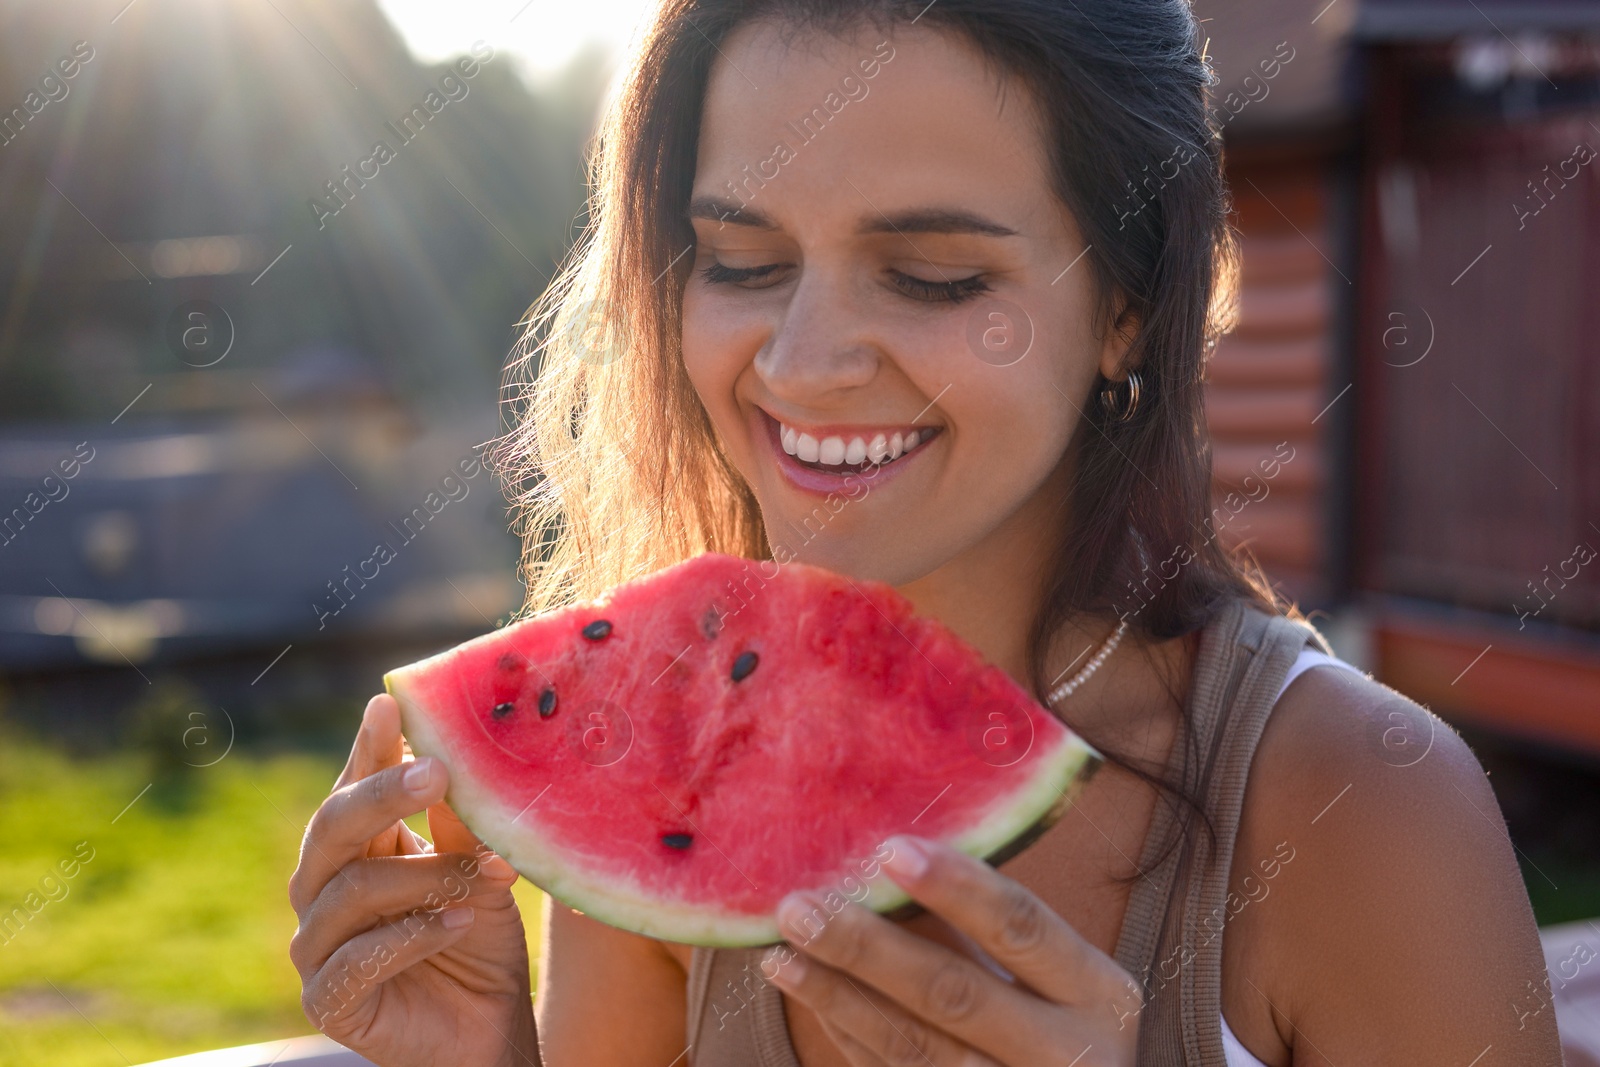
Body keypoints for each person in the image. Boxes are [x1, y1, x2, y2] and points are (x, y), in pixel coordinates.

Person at [288, 1, 1563, 1063]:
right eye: (740, 259)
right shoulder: (675, 753)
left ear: (1125, 305)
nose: (805, 362)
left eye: (936, 277)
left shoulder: (1364, 807)